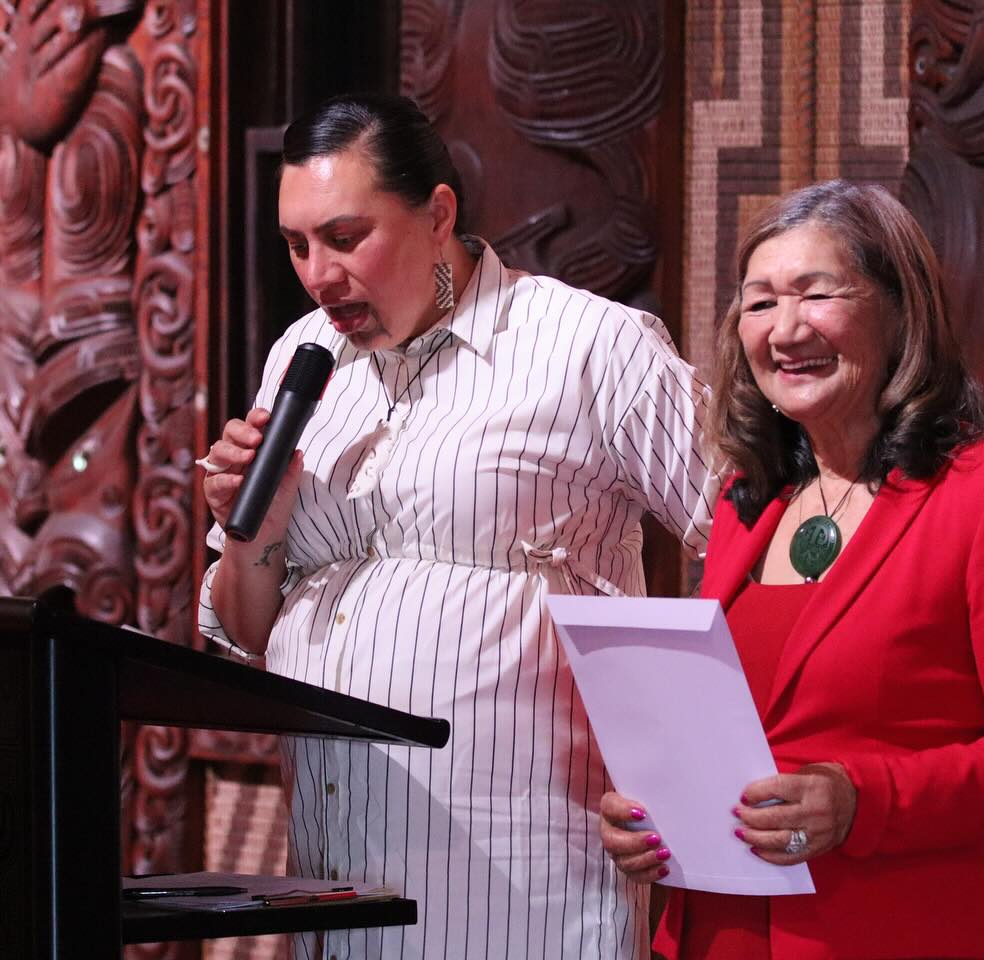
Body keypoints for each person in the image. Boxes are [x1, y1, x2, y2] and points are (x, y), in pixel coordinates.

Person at [196, 92, 717, 959]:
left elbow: (752, 536)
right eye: (297, 246)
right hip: (333, 871)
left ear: (439, 213)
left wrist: (695, 769)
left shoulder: (590, 346)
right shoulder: (302, 357)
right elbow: (245, 628)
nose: (319, 275)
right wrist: (254, 530)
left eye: (345, 236)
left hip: (527, 878)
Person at [599, 181, 984, 959]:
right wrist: (655, 811)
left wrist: (863, 801)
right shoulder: (745, 497)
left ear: (902, 311)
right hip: (712, 932)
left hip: (899, 929)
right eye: (759, 303)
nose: (785, 329)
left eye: (816, 294)